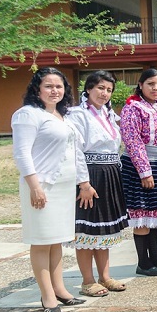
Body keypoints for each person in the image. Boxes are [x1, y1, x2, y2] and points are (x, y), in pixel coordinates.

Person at [12, 67, 91, 312]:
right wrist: (34, 186)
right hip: (42, 186)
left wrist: (83, 182)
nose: (54, 90)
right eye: (48, 85)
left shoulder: (61, 116)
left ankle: (60, 290)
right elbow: (22, 153)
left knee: (56, 240)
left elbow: (75, 152)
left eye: (59, 86)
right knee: (42, 241)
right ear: (37, 88)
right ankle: (48, 297)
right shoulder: (27, 114)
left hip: (64, 187)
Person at [67, 71, 129, 297]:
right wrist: (84, 183)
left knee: (102, 230)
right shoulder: (77, 115)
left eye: (109, 90)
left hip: (110, 174)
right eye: (100, 88)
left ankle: (105, 276)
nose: (104, 93)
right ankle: (87, 280)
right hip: (90, 176)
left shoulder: (109, 114)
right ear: (89, 88)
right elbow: (76, 151)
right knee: (86, 231)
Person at [120, 69, 157, 277]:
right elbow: (132, 141)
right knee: (142, 215)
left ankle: (156, 258)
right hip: (139, 167)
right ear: (141, 85)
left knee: (156, 214)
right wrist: (144, 171)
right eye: (151, 84)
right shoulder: (132, 108)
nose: (155, 89)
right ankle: (143, 262)